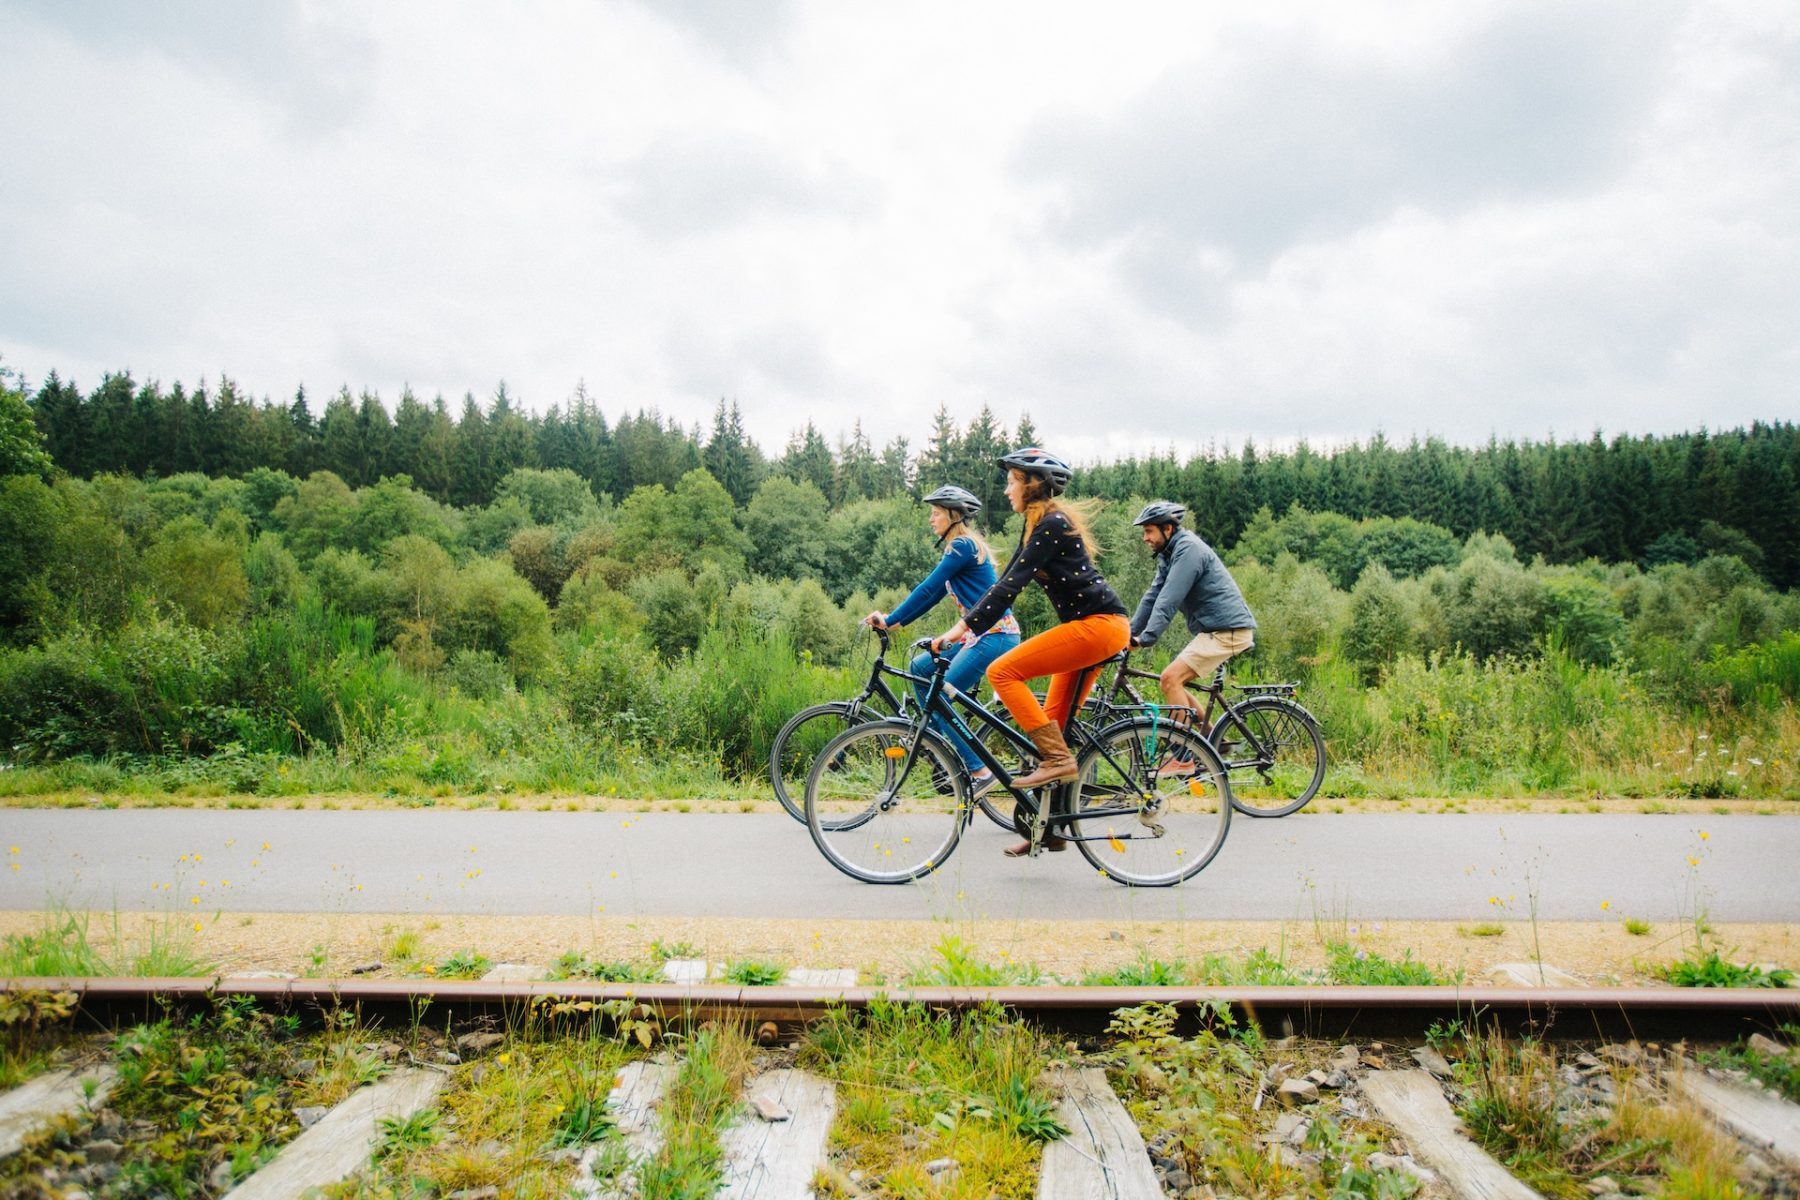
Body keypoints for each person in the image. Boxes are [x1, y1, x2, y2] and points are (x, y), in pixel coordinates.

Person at [933, 447, 1130, 856]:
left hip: (1098, 627)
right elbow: (1004, 581)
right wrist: (964, 628)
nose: (1007, 490)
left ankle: (1058, 762)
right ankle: (1051, 827)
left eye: (1012, 482)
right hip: (1097, 629)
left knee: (1003, 672)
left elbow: (1010, 587)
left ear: (1033, 484)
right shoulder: (1040, 524)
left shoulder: (1052, 524)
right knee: (1053, 727)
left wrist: (962, 629)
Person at [864, 486, 1021, 795]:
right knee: (920, 669)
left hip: (994, 635)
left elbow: (926, 587)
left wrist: (890, 620)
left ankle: (979, 770)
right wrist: (895, 622)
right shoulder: (961, 548)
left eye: (936, 513)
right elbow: (933, 595)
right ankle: (933, 737)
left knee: (941, 698)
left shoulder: (961, 546)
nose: (930, 519)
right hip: (979, 635)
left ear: (953, 516)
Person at [1127, 501, 1256, 742]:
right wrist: (1129, 632)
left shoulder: (1189, 550)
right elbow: (1153, 595)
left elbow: (1169, 598)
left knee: (1170, 679)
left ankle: (1182, 753)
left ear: (1167, 529)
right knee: (1173, 681)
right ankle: (1213, 743)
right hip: (1217, 630)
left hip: (1228, 631)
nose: (1145, 538)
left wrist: (1146, 638)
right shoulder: (1170, 554)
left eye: (1149, 531)